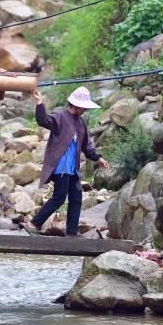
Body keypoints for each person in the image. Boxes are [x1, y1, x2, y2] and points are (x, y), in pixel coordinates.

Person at [28, 86, 110, 236]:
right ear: (76, 105)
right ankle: (34, 223)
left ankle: (71, 232)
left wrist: (98, 157)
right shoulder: (60, 116)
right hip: (61, 168)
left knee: (76, 198)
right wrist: (40, 103)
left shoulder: (80, 123)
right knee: (59, 198)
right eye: (83, 107)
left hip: (72, 169)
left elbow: (87, 145)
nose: (85, 110)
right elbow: (43, 120)